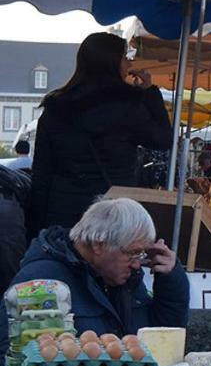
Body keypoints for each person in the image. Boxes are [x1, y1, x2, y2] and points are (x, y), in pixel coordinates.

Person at [1, 197, 189, 366]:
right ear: (99, 245)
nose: (137, 265)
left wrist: (171, 280)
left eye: (142, 254)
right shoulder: (41, 285)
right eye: (133, 253)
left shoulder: (123, 281)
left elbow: (159, 340)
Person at [26, 33, 171, 241]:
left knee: (64, 269)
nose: (129, 64)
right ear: (112, 62)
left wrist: (35, 228)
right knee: (110, 270)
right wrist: (150, 93)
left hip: (63, 211)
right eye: (125, 57)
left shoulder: (56, 107)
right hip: (112, 210)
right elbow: (163, 139)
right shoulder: (130, 105)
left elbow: (42, 172)